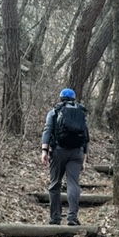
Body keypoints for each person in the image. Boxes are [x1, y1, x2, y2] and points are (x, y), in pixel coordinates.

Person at [41, 88, 89, 225]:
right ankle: (72, 217)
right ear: (74, 98)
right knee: (73, 184)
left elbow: (48, 130)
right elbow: (86, 136)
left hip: (58, 151)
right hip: (77, 152)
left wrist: (44, 150)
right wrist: (84, 158)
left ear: (60, 98)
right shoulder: (81, 112)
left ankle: (55, 217)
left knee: (55, 184)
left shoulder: (54, 111)